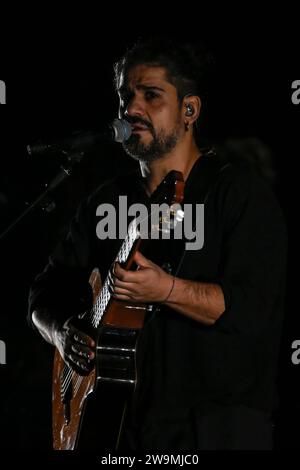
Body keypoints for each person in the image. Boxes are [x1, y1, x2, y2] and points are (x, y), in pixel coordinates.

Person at [28, 36, 287, 450]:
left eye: (151, 96)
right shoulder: (106, 201)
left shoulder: (238, 193)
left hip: (217, 425)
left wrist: (165, 290)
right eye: (125, 96)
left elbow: (254, 307)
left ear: (189, 110)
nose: (131, 109)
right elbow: (43, 294)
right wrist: (62, 332)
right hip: (122, 427)